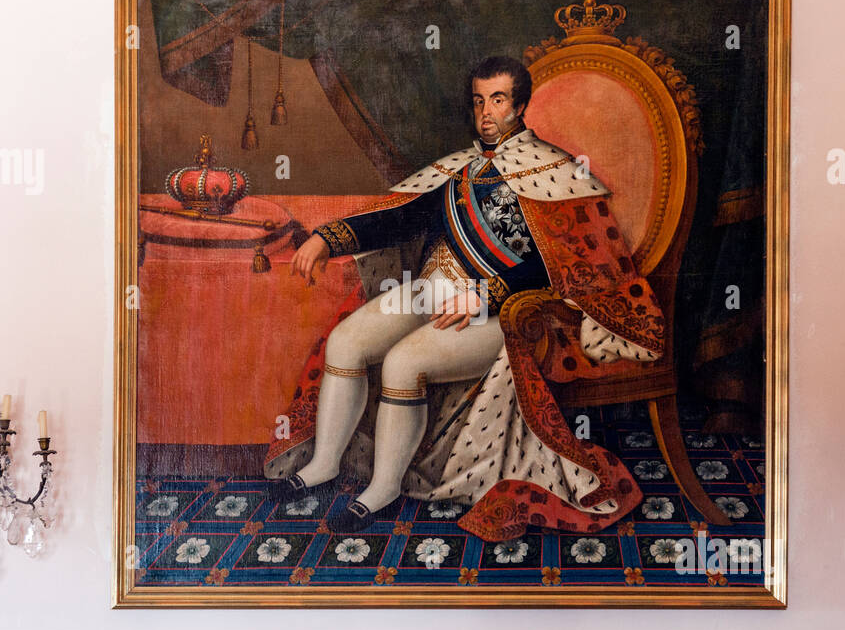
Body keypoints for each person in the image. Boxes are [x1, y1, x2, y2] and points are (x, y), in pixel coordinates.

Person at [264, 55, 666, 540]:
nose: (486, 112)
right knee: (346, 343)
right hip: (433, 288)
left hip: (508, 310)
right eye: (479, 101)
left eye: (497, 100)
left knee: (402, 364)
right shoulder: (462, 169)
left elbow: (564, 266)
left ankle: (383, 488)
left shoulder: (559, 174)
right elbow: (402, 217)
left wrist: (487, 293)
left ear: (519, 104)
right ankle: (325, 465)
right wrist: (329, 238)